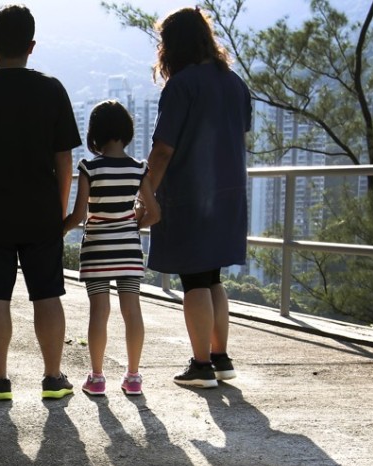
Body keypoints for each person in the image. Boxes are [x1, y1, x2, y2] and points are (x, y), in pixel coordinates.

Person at [0, 4, 81, 400]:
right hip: (41, 210)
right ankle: (54, 379)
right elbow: (65, 159)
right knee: (47, 294)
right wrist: (58, 209)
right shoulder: (52, 89)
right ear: (31, 46)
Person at [145, 7, 251, 389]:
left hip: (190, 194)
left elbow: (163, 150)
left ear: (173, 45)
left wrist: (148, 194)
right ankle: (221, 359)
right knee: (213, 278)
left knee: (194, 281)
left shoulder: (182, 86)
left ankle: (201, 364)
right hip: (228, 195)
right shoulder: (235, 83)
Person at [63, 100, 160, 397]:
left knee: (99, 312)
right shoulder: (139, 168)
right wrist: (133, 225)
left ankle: (97, 377)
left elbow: (79, 216)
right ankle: (133, 377)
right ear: (127, 132)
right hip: (129, 249)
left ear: (95, 134)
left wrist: (59, 229)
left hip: (96, 251)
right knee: (132, 311)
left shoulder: (89, 168)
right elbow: (155, 212)